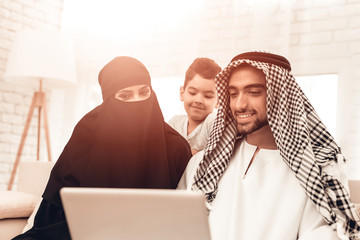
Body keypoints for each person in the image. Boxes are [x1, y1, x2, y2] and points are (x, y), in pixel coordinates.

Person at [177, 51, 360, 240]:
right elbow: (175, 227)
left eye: (254, 92)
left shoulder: (319, 171)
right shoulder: (201, 165)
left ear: (281, 96)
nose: (239, 105)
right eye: (233, 94)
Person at [13, 56, 192, 240]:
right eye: (125, 96)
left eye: (144, 92)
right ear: (108, 100)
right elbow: (54, 209)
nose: (136, 101)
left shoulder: (175, 146)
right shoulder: (87, 132)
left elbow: (182, 215)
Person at [168, 57, 221, 155]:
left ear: (218, 101)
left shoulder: (213, 122)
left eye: (207, 96)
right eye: (192, 93)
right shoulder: (174, 123)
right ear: (182, 93)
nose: (198, 100)